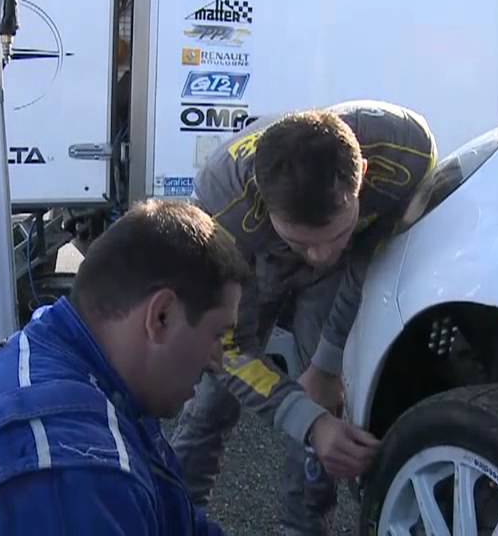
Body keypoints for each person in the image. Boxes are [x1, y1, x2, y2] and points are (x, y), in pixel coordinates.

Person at [0, 199, 249, 535]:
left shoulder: (80, 366)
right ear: (161, 316)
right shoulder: (67, 473)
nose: (217, 360)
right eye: (217, 333)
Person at [170, 99, 437, 535]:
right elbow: (229, 352)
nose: (319, 255)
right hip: (255, 262)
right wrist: (308, 423)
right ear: (264, 202)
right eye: (303, 242)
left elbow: (366, 252)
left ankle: (304, 528)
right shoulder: (221, 212)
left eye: (334, 234)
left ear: (363, 175)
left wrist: (328, 362)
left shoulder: (408, 152)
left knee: (325, 393)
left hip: (345, 267)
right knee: (212, 403)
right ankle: (172, 516)